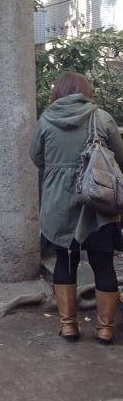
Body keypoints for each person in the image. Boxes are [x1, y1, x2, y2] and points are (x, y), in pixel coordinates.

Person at [30, 72, 123, 344]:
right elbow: (120, 156)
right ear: (86, 91)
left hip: (58, 203)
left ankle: (69, 326)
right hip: (97, 202)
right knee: (102, 263)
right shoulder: (101, 117)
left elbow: (36, 157)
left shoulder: (45, 120)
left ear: (57, 92)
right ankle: (105, 329)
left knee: (65, 261)